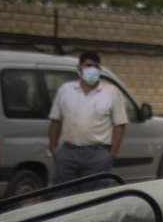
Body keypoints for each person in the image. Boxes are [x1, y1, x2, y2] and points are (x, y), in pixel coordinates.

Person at [48, 50, 127, 191]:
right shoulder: (66, 90)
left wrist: (111, 154)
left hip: (97, 155)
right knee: (62, 196)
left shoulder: (111, 92)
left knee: (94, 198)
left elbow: (120, 124)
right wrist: (54, 149)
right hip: (68, 153)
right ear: (79, 68)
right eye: (88, 65)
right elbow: (55, 120)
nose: (92, 70)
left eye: (96, 67)